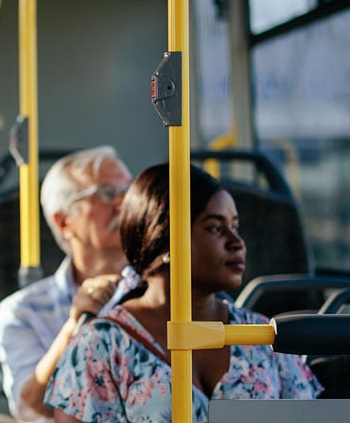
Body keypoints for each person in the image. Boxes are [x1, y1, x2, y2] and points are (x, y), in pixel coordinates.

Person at [45, 163, 322, 422]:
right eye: (214, 228)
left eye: (235, 226)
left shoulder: (263, 335)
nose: (237, 243)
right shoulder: (101, 347)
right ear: (164, 240)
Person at [0, 146, 133, 421]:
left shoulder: (168, 291)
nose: (123, 203)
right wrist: (75, 325)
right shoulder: (21, 312)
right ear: (64, 222)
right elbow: (30, 409)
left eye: (128, 190)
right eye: (106, 193)